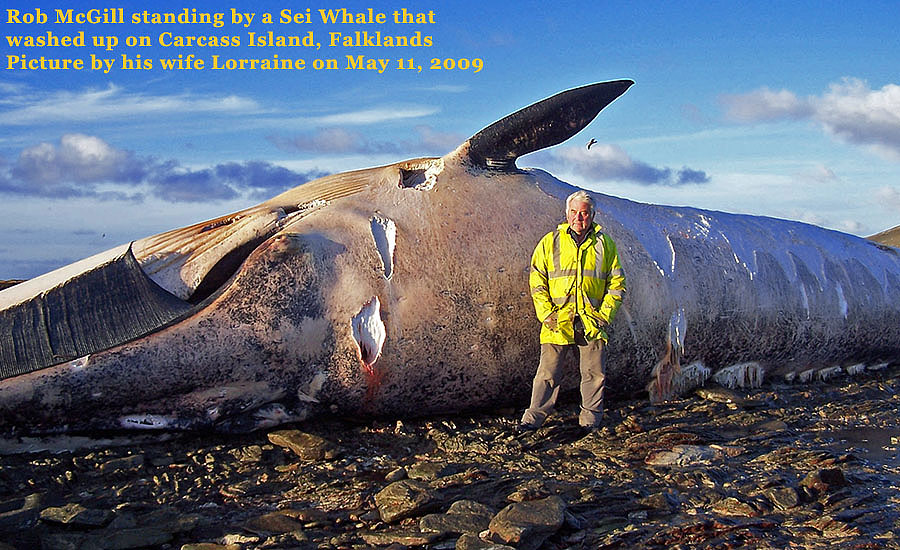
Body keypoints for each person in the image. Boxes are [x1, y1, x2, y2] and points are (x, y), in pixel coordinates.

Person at [519, 190, 626, 432]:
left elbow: (617, 284)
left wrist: (604, 316)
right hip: (558, 320)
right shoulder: (550, 242)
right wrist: (546, 314)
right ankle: (532, 419)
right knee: (547, 374)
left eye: (584, 213)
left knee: (594, 375)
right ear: (567, 213)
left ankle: (590, 423)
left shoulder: (604, 244)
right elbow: (537, 280)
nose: (579, 217)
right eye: (575, 212)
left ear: (592, 215)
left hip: (591, 321)